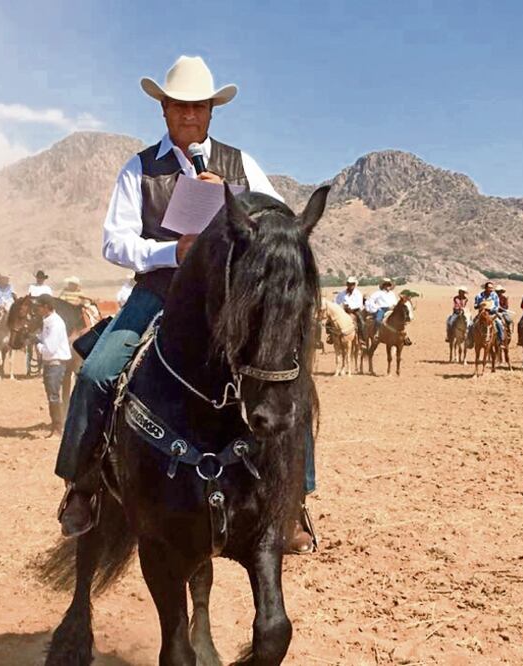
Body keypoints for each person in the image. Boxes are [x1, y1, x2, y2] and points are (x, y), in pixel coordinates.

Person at [54, 55, 307, 547]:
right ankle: (81, 485)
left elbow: (281, 219)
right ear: (163, 110)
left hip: (229, 301)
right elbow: (115, 241)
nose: (189, 116)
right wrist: (174, 250)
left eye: (199, 108)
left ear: (212, 112)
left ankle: (296, 501)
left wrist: (235, 195)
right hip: (160, 290)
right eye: (179, 107)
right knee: (96, 374)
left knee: (287, 378)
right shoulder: (140, 169)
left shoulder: (241, 164)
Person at [35, 296, 72, 437]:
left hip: (55, 364)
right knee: (52, 395)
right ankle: (56, 425)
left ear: (46, 306)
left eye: (39, 306)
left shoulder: (55, 323)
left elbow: (49, 349)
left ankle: (57, 428)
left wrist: (37, 344)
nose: (37, 309)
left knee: (53, 396)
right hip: (52, 364)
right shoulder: (49, 321)